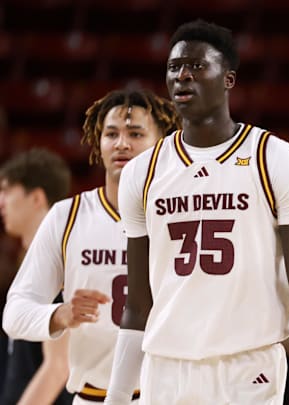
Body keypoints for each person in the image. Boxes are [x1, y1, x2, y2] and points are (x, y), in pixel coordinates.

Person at [104, 20, 289, 405]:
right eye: (174, 68)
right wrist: (118, 396)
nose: (183, 76)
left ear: (228, 79)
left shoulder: (276, 159)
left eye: (197, 66)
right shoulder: (142, 172)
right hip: (166, 368)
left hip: (248, 367)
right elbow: (137, 303)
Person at [2, 89, 180, 404]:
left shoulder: (183, 216)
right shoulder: (67, 216)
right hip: (91, 396)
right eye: (111, 134)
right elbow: (14, 313)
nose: (121, 143)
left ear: (161, 144)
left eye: (135, 133)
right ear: (99, 143)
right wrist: (60, 315)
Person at [0, 148, 73, 405]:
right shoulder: (27, 260)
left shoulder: (58, 262)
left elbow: (58, 368)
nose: (1, 202)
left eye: (7, 191)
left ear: (36, 198)